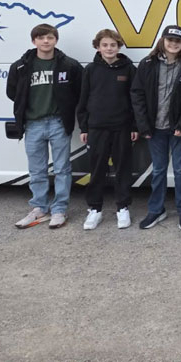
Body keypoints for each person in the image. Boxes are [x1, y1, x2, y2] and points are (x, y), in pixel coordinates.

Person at [7, 23, 83, 229]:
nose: (46, 41)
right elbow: (13, 92)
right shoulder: (21, 66)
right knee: (37, 170)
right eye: (41, 38)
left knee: (62, 169)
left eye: (50, 37)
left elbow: (79, 92)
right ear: (34, 41)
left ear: (55, 40)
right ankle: (39, 207)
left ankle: (59, 209)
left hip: (58, 122)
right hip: (33, 124)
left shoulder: (69, 65)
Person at [130, 25, 181, 230]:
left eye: (177, 41)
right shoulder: (148, 63)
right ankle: (156, 210)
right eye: (170, 40)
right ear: (163, 40)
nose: (173, 44)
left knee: (180, 170)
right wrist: (144, 125)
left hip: (178, 128)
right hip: (154, 128)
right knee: (158, 170)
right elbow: (137, 94)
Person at [77, 29, 137, 230]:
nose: (109, 48)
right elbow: (83, 100)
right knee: (97, 170)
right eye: (105, 45)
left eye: (113, 45)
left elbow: (135, 100)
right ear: (97, 47)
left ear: (119, 47)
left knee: (123, 169)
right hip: (96, 128)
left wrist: (135, 126)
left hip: (122, 128)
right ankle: (95, 209)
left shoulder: (129, 69)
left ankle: (122, 207)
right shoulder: (90, 70)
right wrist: (84, 126)